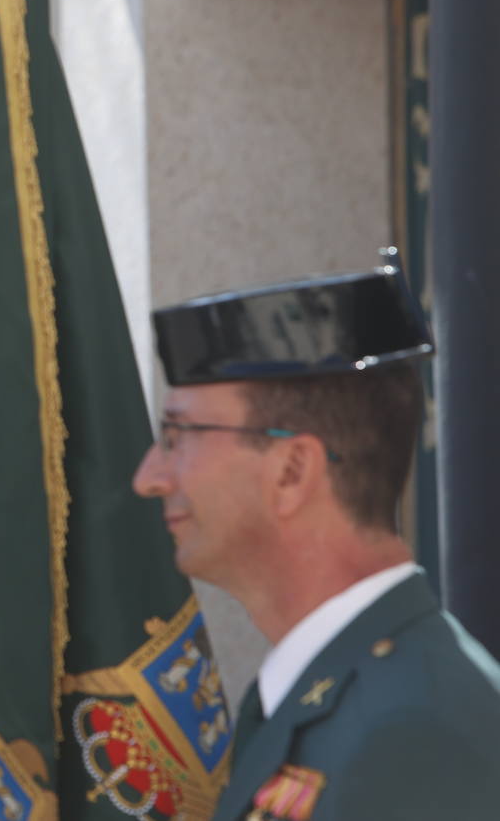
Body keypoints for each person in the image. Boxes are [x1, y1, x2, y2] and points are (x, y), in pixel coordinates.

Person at [131, 258, 500, 820]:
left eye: (179, 435)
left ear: (292, 471)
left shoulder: (415, 728)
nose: (149, 477)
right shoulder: (328, 692)